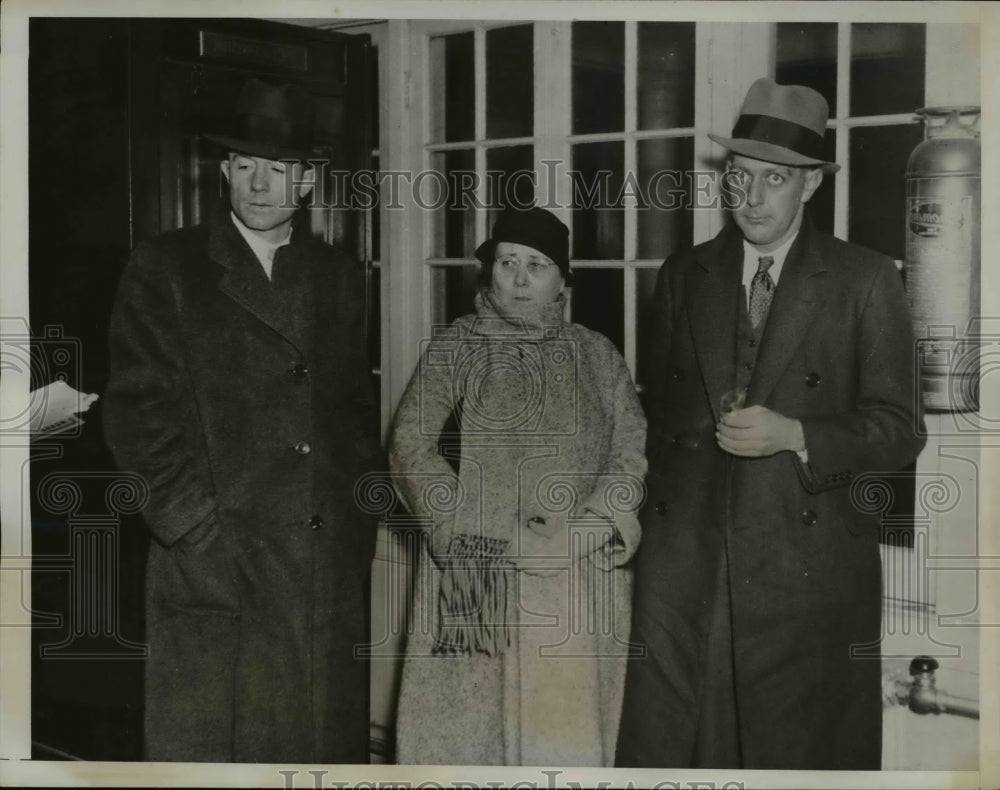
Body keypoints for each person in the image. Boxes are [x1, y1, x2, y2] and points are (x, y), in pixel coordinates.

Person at [616, 78, 926, 770]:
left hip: (803, 576)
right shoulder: (683, 274)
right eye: (739, 176)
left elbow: (901, 430)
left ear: (810, 185)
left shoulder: (866, 280)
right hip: (689, 570)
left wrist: (798, 434)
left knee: (792, 756)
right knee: (685, 751)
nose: (750, 198)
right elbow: (660, 426)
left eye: (775, 180)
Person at [103, 78, 383, 763]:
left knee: (315, 747)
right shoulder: (166, 267)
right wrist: (194, 529)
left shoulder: (338, 273)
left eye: (281, 169)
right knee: (220, 748)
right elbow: (137, 416)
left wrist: (357, 517)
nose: (261, 185)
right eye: (247, 166)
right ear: (225, 172)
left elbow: (352, 411)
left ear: (309, 183)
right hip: (219, 559)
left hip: (322, 563)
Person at [388, 207, 646, 765]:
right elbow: (410, 446)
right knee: (465, 735)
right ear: (489, 273)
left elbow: (630, 455)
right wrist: (464, 533)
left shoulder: (597, 354)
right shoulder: (455, 346)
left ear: (563, 280)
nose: (521, 279)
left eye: (537, 265)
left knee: (564, 741)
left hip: (575, 574)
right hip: (476, 567)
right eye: (507, 263)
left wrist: (588, 531)